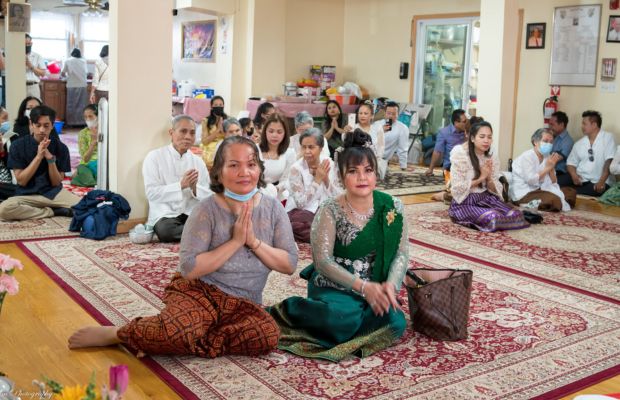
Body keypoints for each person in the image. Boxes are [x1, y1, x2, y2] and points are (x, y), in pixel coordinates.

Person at [68, 136, 299, 358]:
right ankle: (119, 334)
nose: (244, 172)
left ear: (259, 169)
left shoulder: (272, 208)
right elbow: (190, 269)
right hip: (201, 291)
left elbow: (289, 264)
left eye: (251, 164)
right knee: (180, 330)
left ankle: (164, 338)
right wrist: (236, 242)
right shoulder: (206, 209)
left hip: (245, 303)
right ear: (218, 171)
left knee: (266, 336)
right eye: (234, 165)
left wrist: (253, 242)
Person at [269, 129, 407, 362]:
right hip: (334, 286)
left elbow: (401, 254)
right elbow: (322, 262)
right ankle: (293, 311)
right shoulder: (330, 209)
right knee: (340, 318)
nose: (362, 178)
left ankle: (360, 317)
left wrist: (390, 288)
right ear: (341, 177)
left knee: (395, 321)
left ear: (376, 174)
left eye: (368, 170)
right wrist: (362, 287)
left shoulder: (391, 206)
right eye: (353, 171)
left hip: (373, 284)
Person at [0, 105, 79, 221]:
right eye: (38, 125)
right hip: (26, 195)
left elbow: (56, 182)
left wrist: (50, 159)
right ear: (31, 125)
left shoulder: (61, 148)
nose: (42, 130)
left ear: (52, 125)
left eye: (46, 126)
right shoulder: (18, 146)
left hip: (53, 193)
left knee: (86, 207)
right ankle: (52, 211)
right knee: (4, 210)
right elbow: (22, 180)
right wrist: (38, 156)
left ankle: (48, 208)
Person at [449, 121, 529, 232]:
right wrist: (482, 177)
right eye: (482, 137)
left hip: (486, 198)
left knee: (517, 215)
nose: (486, 140)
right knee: (493, 217)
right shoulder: (460, 154)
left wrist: (489, 178)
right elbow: (458, 187)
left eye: (489, 137)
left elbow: (493, 189)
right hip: (465, 202)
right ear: (472, 138)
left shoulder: (491, 157)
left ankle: (500, 219)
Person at [143, 115, 211, 243]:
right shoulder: (154, 157)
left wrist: (195, 189)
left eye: (192, 133)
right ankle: (204, 233)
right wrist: (180, 185)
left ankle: (200, 232)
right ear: (171, 132)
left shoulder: (198, 161)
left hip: (190, 211)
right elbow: (151, 194)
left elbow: (208, 194)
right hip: (165, 214)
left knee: (215, 217)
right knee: (165, 232)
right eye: (183, 131)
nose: (188, 137)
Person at [286, 128, 342, 242]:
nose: (307, 151)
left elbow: (338, 197)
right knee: (299, 224)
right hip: (302, 212)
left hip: (325, 209)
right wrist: (316, 181)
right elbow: (301, 204)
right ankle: (324, 234)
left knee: (341, 219)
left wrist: (325, 178)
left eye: (311, 147)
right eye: (304, 147)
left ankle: (323, 233)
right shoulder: (296, 169)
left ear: (321, 148)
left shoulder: (329, 164)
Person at [510, 128, 576, 212]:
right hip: (525, 193)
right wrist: (547, 168)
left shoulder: (547, 156)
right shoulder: (526, 157)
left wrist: (552, 167)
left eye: (551, 142)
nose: (549, 144)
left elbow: (554, 181)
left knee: (570, 192)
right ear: (535, 142)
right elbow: (531, 180)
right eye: (545, 141)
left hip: (540, 189)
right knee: (555, 200)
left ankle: (552, 202)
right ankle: (527, 204)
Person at [564, 110, 616, 196]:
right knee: (557, 183)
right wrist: (574, 175)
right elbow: (570, 163)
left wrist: (601, 181)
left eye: (584, 124)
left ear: (594, 125)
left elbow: (609, 161)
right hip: (581, 179)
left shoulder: (607, 138)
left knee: (573, 192)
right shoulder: (579, 143)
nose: (582, 126)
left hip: (600, 181)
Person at [259, 114, 296, 200]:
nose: (274, 135)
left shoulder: (289, 153)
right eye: (271, 131)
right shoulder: (255, 149)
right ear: (265, 132)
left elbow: (287, 179)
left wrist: (275, 189)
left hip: (277, 195)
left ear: (285, 133)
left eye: (279, 132)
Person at [370, 102, 409, 177]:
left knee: (380, 175)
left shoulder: (402, 128)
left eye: (394, 114)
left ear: (398, 115)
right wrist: (381, 131)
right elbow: (369, 141)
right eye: (388, 113)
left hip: (384, 159)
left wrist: (403, 166)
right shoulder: (376, 124)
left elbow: (403, 148)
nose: (391, 116)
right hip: (370, 156)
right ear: (384, 113)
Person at [426, 109, 468, 177]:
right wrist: (431, 169)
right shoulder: (444, 132)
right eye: (464, 122)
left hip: (466, 164)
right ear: (456, 122)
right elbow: (437, 151)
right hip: (451, 165)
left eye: (467, 121)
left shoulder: (467, 132)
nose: (466, 124)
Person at [71, 104, 99, 187]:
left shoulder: (107, 131)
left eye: (91, 116)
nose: (88, 119)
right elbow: (85, 159)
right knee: (87, 177)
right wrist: (93, 142)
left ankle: (82, 176)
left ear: (99, 117)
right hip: (87, 165)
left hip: (103, 164)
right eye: (85, 117)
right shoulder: (83, 133)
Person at [61, 48, 88, 126]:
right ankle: (82, 123)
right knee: (81, 104)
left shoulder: (67, 60)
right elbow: (86, 72)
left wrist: (66, 75)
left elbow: (62, 73)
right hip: (82, 85)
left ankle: (71, 123)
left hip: (72, 85)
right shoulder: (83, 61)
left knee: (71, 104)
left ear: (71, 54)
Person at [200, 96, 227, 168]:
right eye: (216, 105)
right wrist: (218, 130)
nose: (218, 107)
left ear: (223, 106)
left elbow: (231, 137)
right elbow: (204, 141)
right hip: (210, 147)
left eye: (220, 105)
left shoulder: (228, 119)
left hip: (224, 145)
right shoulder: (205, 121)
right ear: (211, 107)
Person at [547, 111, 574, 184]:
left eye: (552, 124)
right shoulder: (554, 137)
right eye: (549, 124)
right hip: (549, 170)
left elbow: (554, 159)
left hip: (559, 173)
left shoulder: (568, 141)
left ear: (562, 124)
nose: (550, 127)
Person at [0, 106, 17, 200]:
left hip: (8, 182)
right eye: (4, 118)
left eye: (7, 118)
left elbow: (13, 165)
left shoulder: (11, 138)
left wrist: (2, 152)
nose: (7, 122)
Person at [25, 34, 47, 99]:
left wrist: (31, 66)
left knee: (35, 108)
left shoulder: (38, 56)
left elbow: (43, 73)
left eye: (28, 43)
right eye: (24, 44)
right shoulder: (15, 55)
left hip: (33, 86)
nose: (27, 46)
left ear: (31, 43)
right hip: (19, 86)